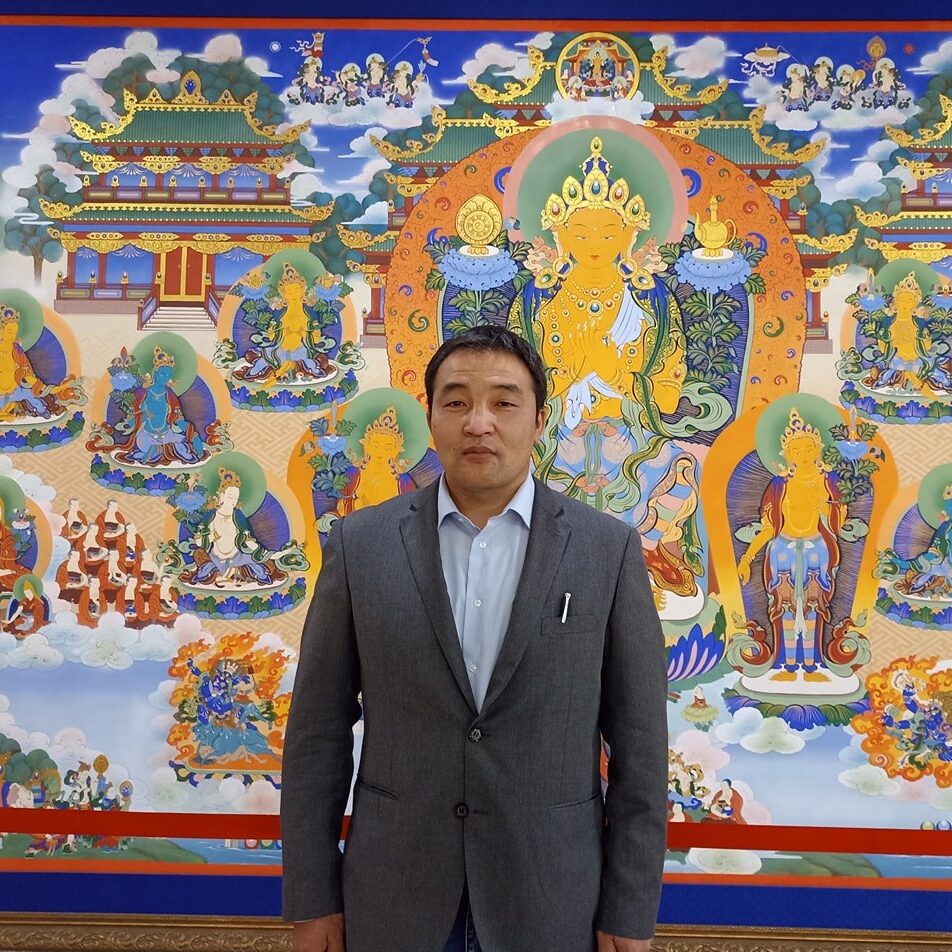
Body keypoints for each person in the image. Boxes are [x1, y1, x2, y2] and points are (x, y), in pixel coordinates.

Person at [282, 324, 668, 952]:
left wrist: (629, 910)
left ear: (539, 419)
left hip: (551, 900)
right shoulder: (362, 546)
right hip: (391, 897)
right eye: (456, 401)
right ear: (431, 417)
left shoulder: (607, 551)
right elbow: (316, 736)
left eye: (504, 402)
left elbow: (641, 748)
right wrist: (312, 901)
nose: (479, 422)